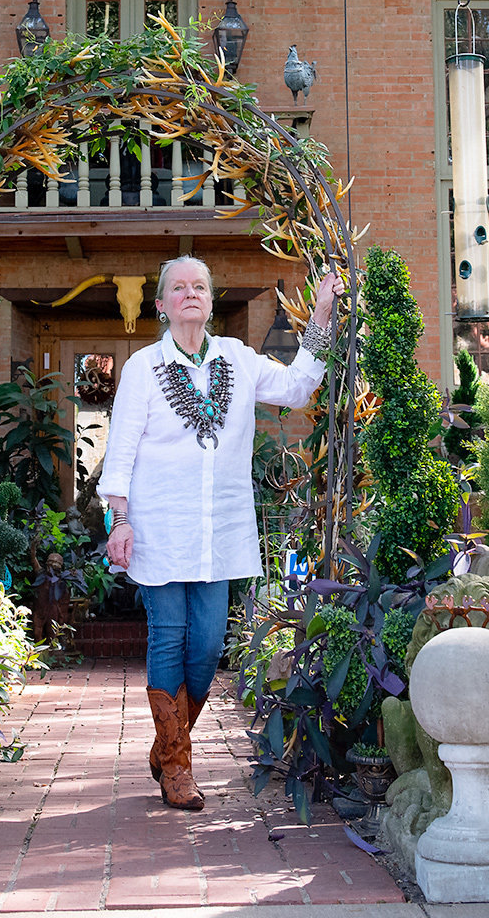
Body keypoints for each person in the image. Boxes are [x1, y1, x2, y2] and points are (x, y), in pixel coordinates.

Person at [100, 256, 343, 810]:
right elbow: (122, 451)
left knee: (208, 646)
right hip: (159, 527)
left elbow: (298, 388)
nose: (190, 293)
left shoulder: (238, 358)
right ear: (160, 305)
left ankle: (168, 743)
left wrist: (322, 317)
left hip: (219, 531)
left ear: (211, 302)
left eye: (200, 286)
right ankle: (179, 765)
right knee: (168, 637)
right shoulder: (142, 367)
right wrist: (120, 520)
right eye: (178, 287)